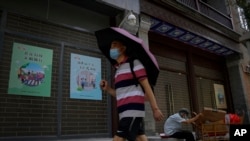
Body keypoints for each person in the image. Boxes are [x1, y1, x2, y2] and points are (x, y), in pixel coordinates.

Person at [100, 39, 164, 141]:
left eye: (114, 45)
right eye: (111, 46)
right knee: (140, 137)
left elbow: (147, 87)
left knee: (118, 138)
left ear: (123, 48)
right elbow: (120, 94)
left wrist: (155, 109)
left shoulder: (134, 63)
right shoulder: (117, 70)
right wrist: (107, 89)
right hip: (124, 112)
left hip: (132, 111)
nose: (111, 49)